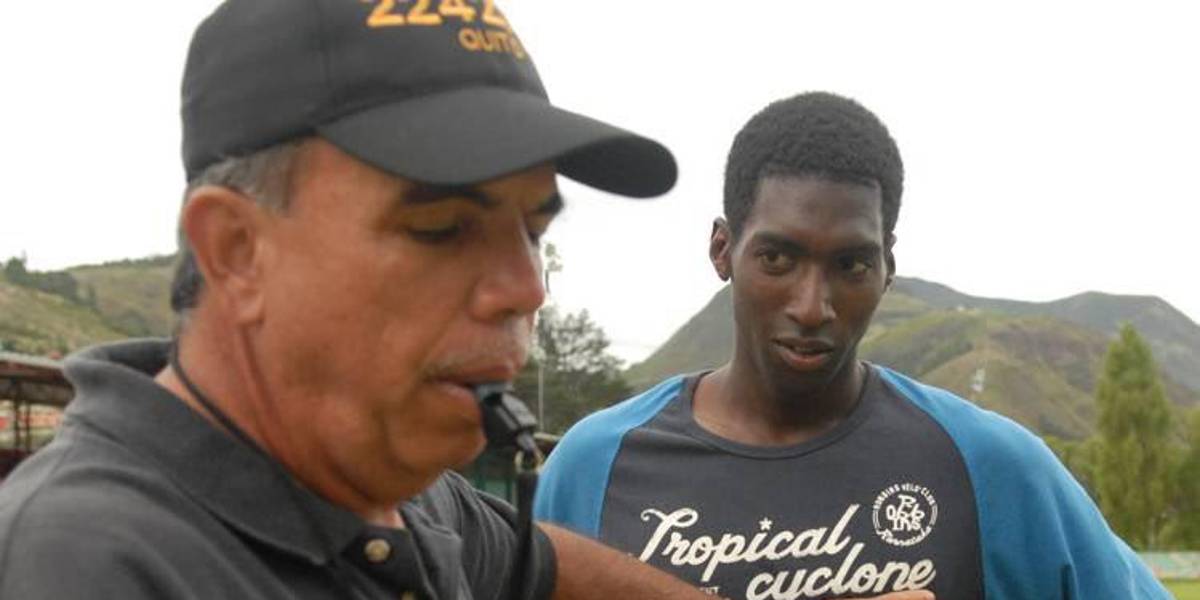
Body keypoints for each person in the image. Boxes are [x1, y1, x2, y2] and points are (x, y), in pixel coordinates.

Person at [0, 2, 930, 599]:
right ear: (236, 250)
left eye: (533, 229)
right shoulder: (91, 565)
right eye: (443, 228)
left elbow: (547, 566)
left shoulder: (394, 504)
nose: (527, 288)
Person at [534, 92, 1171, 599]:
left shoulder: (993, 466)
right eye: (777, 258)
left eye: (852, 265)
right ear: (723, 249)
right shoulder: (594, 464)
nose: (813, 306)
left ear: (888, 266)